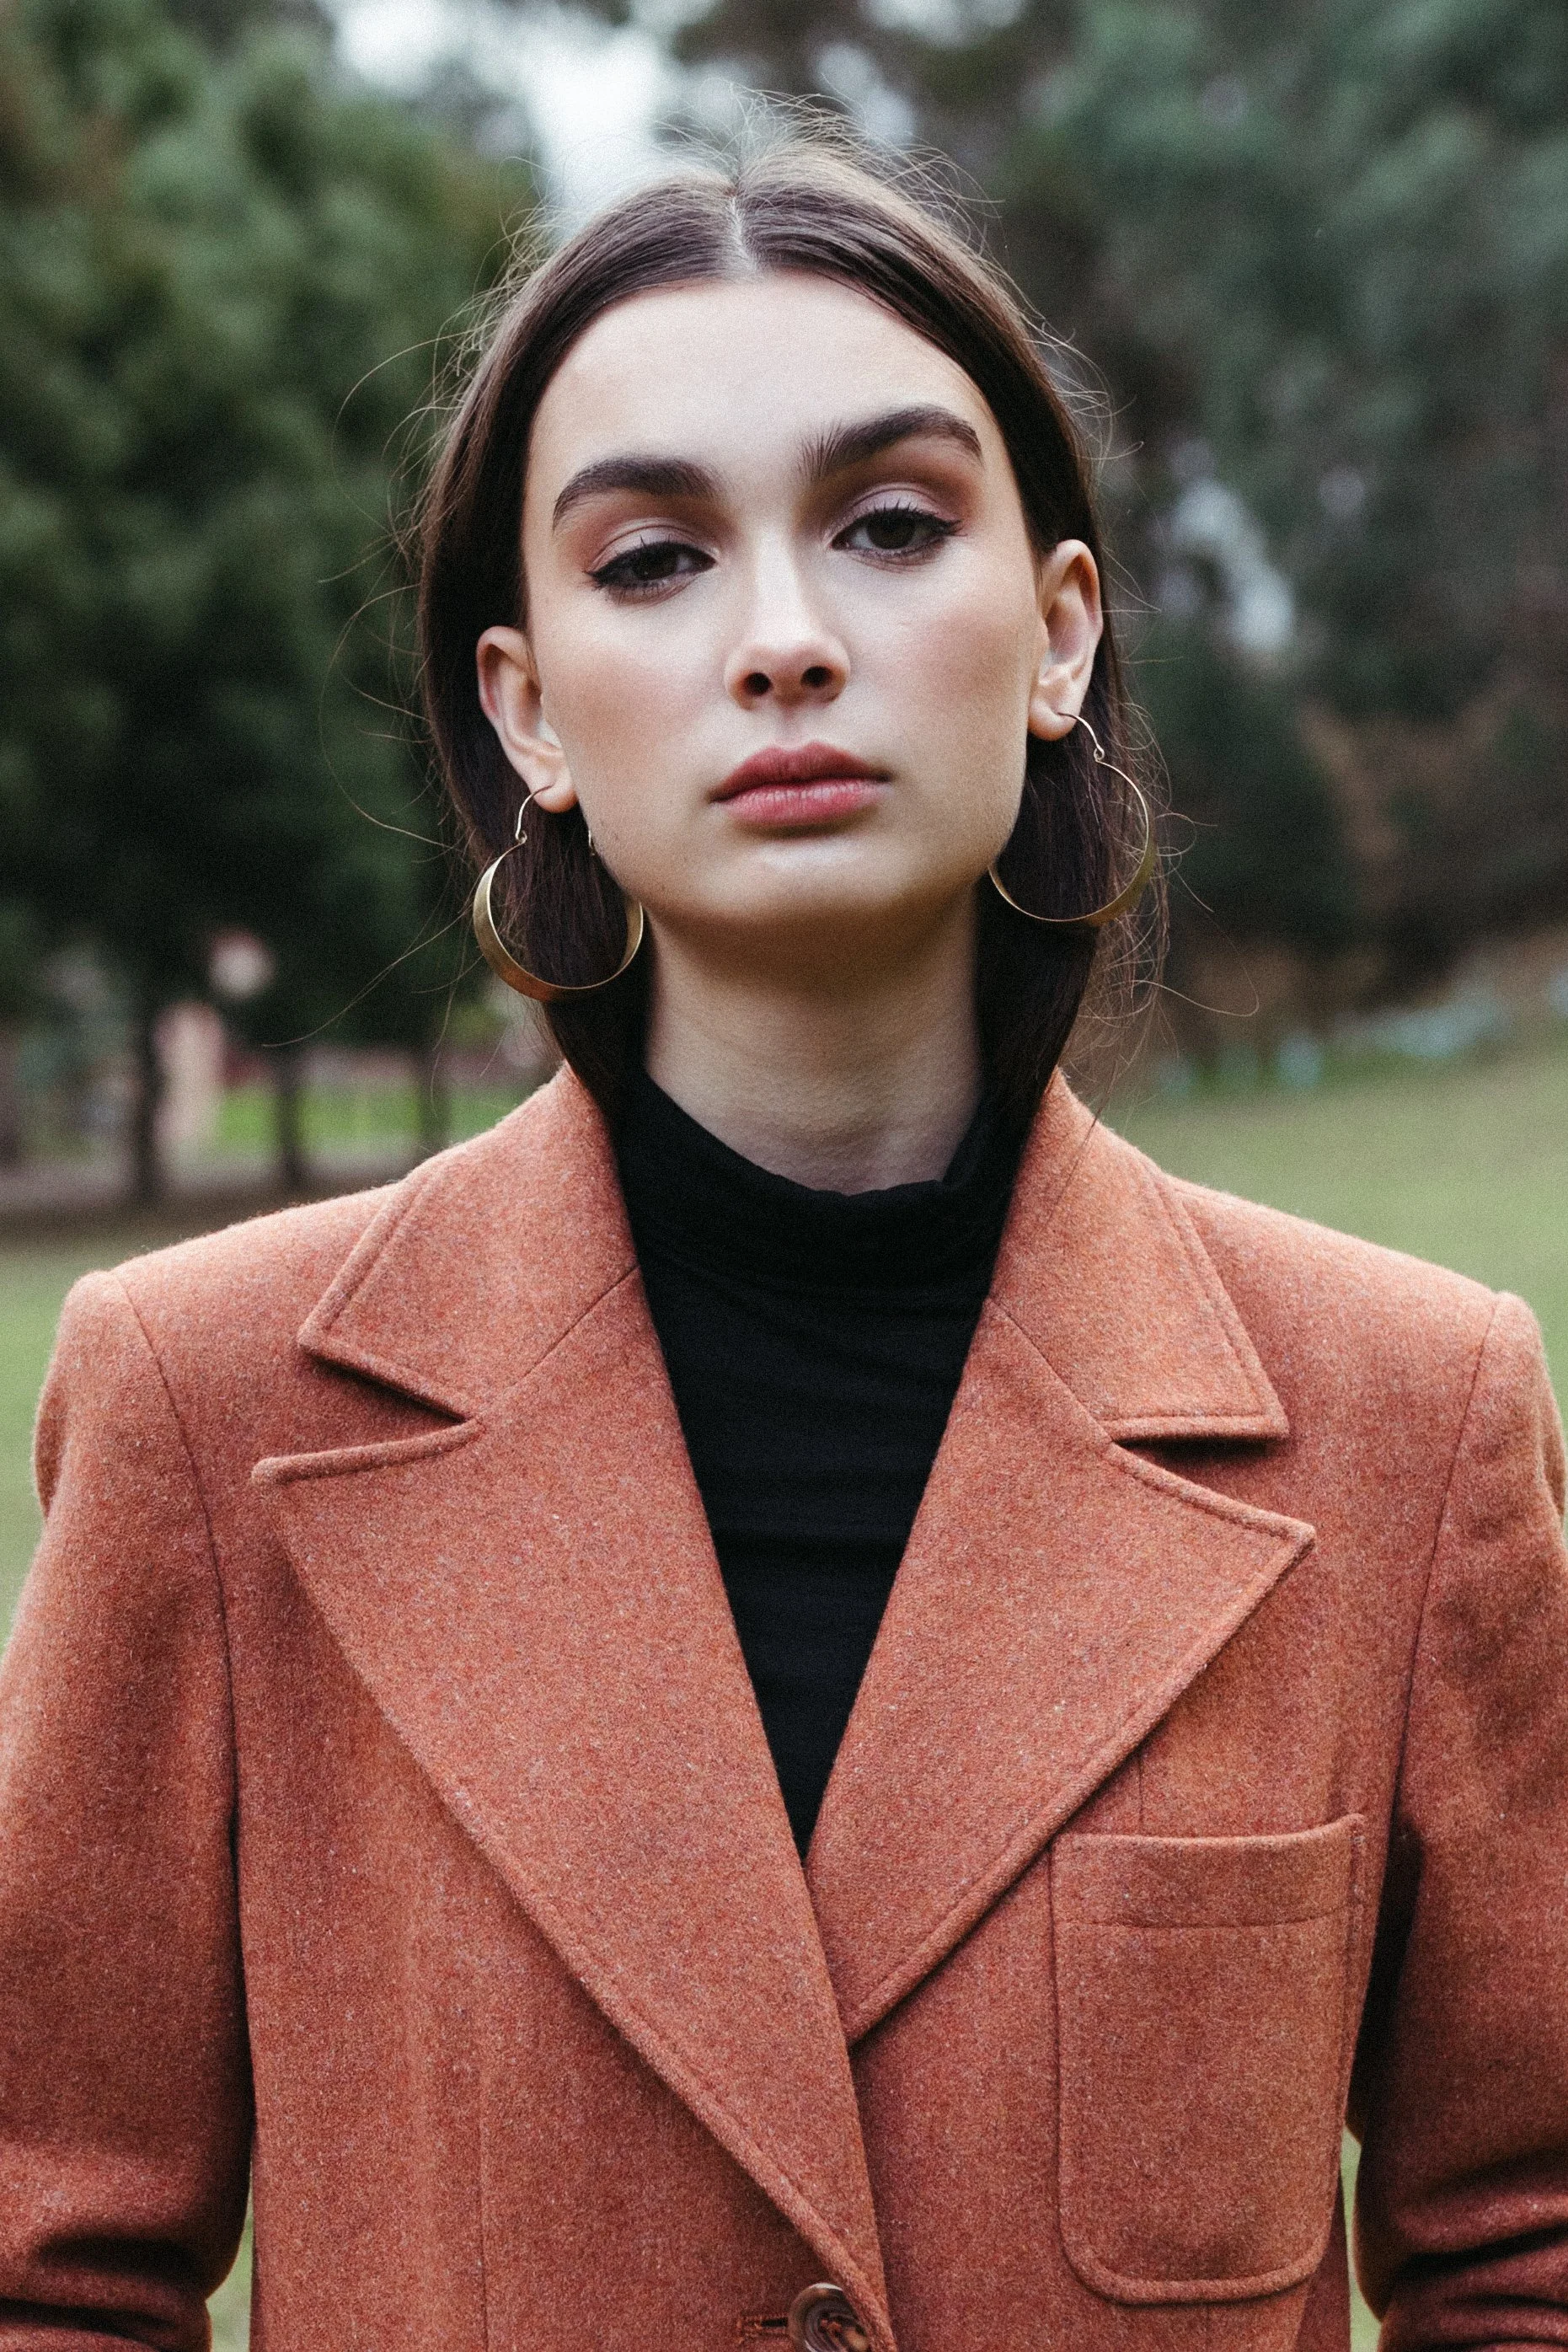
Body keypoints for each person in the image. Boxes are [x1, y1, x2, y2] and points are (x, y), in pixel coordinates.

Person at [2, 137, 1565, 2352]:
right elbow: (43, 2264)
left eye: (891, 524)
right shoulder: (206, 1408)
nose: (784, 641)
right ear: (526, 709)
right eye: (652, 559)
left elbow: (1526, 2248)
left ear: (1055, 633)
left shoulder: (1406, 1422)